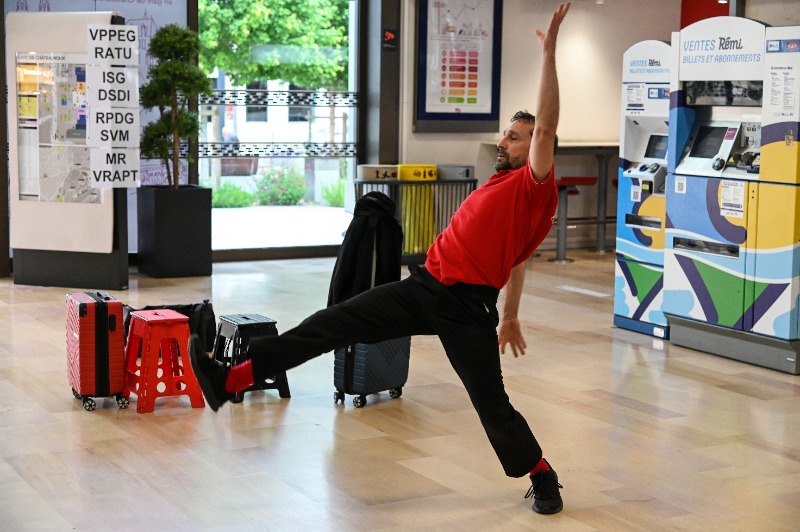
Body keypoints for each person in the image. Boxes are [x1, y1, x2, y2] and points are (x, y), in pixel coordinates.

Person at [190, 2, 570, 515]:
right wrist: (513, 315)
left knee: (491, 404)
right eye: (506, 132)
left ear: (538, 149)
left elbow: (546, 127)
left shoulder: (534, 186)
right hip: (424, 288)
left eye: (515, 137)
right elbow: (516, 260)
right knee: (331, 323)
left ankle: (542, 475)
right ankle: (230, 378)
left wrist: (549, 52)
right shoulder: (502, 184)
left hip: (466, 308)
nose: (504, 141)